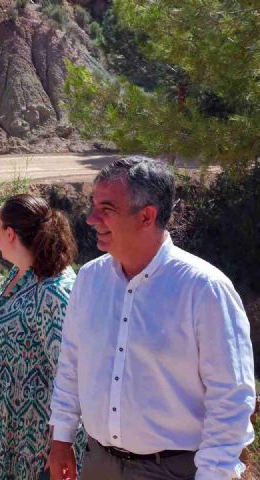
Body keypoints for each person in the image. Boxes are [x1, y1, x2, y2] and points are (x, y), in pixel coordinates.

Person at [48, 157, 256, 480]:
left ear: (146, 216)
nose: (91, 219)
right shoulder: (89, 280)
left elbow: (230, 400)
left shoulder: (205, 290)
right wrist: (61, 437)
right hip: (98, 464)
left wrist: (214, 475)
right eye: (93, 205)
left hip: (173, 471)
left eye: (107, 209)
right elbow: (71, 364)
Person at [0, 193, 86, 480]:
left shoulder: (54, 291)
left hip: (32, 447)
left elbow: (73, 374)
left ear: (9, 233)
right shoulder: (19, 273)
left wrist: (61, 446)